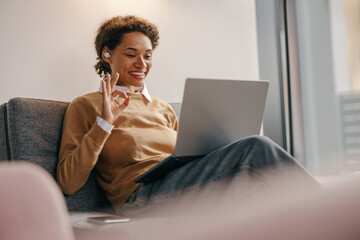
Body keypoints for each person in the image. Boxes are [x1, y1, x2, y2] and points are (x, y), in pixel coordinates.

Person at [57, 15, 319, 216]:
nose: (142, 64)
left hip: (183, 182)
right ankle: (329, 210)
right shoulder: (86, 106)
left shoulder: (162, 108)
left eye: (148, 56)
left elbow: (188, 155)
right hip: (141, 197)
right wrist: (105, 122)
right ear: (106, 54)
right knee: (256, 146)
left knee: (259, 185)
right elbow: (68, 182)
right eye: (131, 54)